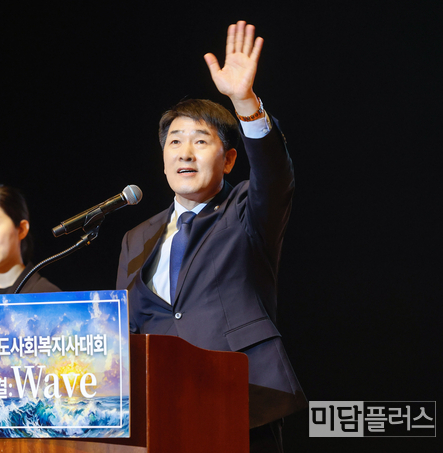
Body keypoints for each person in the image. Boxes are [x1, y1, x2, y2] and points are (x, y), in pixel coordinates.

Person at [115, 21, 306, 452]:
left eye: (200, 141)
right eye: (175, 142)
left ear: (229, 160)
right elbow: (129, 328)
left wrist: (245, 102)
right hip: (159, 410)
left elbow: (275, 174)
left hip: (240, 401)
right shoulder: (136, 237)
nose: (185, 152)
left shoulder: (245, 210)